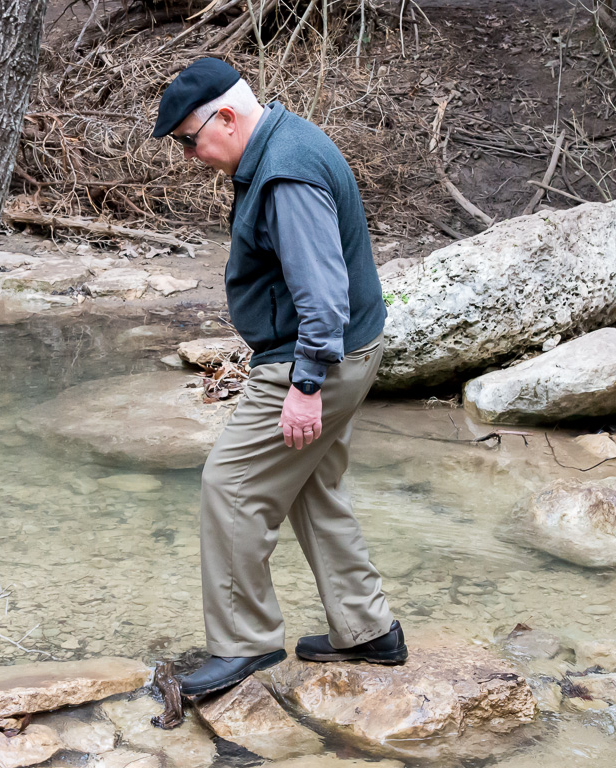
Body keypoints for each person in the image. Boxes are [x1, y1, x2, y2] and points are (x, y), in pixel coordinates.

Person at [151, 58, 408, 698]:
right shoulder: (283, 141)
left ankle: (245, 646)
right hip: (346, 351)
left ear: (228, 117)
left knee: (231, 485)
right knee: (311, 487)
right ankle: (368, 630)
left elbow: (323, 296)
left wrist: (305, 387)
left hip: (315, 357)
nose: (188, 156)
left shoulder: (285, 173)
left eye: (189, 140)